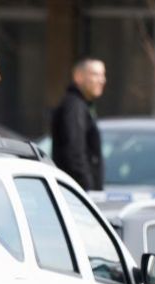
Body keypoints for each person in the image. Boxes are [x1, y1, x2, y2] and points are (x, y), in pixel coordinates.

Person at [51, 58, 107, 191]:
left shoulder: (82, 105)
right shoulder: (74, 107)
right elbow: (74, 153)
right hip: (76, 191)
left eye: (103, 75)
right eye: (95, 74)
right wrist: (87, 189)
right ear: (78, 77)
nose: (102, 80)